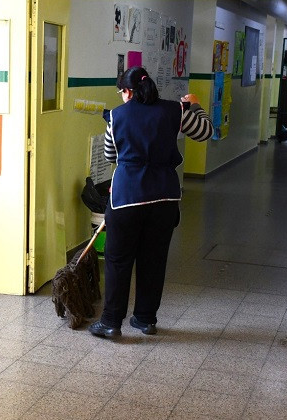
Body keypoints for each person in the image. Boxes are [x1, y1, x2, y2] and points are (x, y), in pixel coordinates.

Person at [88, 66, 214, 338]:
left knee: (118, 260)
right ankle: (145, 319)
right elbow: (205, 132)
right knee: (153, 260)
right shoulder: (175, 111)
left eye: (122, 91)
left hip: (126, 199)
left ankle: (111, 322)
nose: (122, 96)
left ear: (128, 91)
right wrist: (196, 106)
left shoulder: (116, 116)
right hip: (164, 198)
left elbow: (111, 155)